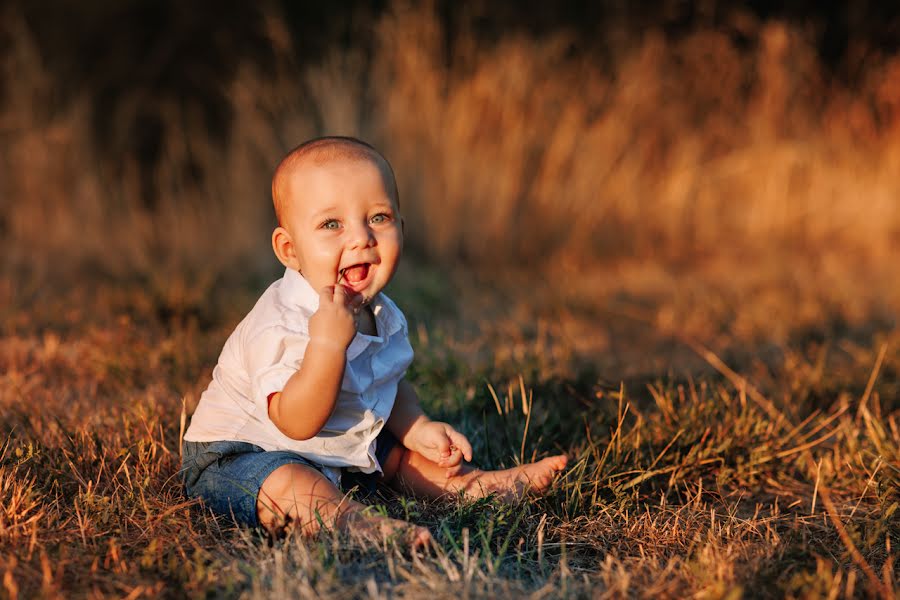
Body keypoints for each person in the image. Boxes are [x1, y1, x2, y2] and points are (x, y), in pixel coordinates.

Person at [181, 136, 567, 546]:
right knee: (291, 482)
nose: (362, 237)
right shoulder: (281, 322)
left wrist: (416, 428)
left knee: (400, 457)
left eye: (379, 218)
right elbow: (296, 423)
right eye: (332, 224)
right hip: (243, 457)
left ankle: (480, 486)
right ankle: (353, 524)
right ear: (290, 250)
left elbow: (387, 383)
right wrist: (327, 346)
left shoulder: (380, 312)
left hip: (333, 450)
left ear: (401, 227)